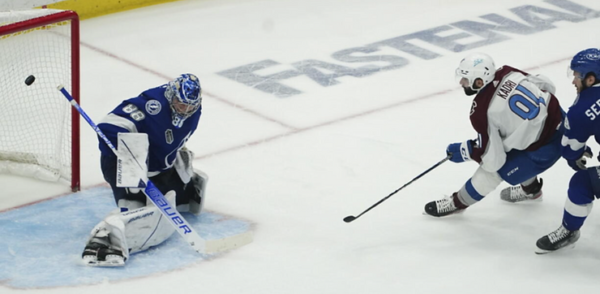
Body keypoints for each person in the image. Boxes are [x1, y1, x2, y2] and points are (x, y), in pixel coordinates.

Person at [81, 73, 209, 266]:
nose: (184, 110)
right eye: (181, 104)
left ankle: (177, 177)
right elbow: (108, 125)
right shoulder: (153, 105)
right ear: (171, 94)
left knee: (178, 197)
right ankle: (105, 239)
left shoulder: (193, 109)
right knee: (136, 212)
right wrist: (131, 155)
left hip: (158, 167)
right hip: (124, 167)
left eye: (190, 106)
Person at [424, 53, 565, 217]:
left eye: (465, 79)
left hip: (545, 151)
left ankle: (457, 202)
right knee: (514, 143)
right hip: (565, 125)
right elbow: (548, 85)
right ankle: (531, 189)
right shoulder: (507, 72)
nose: (462, 83)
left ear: (479, 81)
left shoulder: (481, 111)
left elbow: (493, 161)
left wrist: (469, 151)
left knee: (491, 173)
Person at [536, 48, 600, 254]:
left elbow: (571, 150)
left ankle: (569, 230)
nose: (574, 81)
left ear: (590, 79)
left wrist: (575, 158)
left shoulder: (582, 109)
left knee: (581, 183)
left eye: (576, 76)